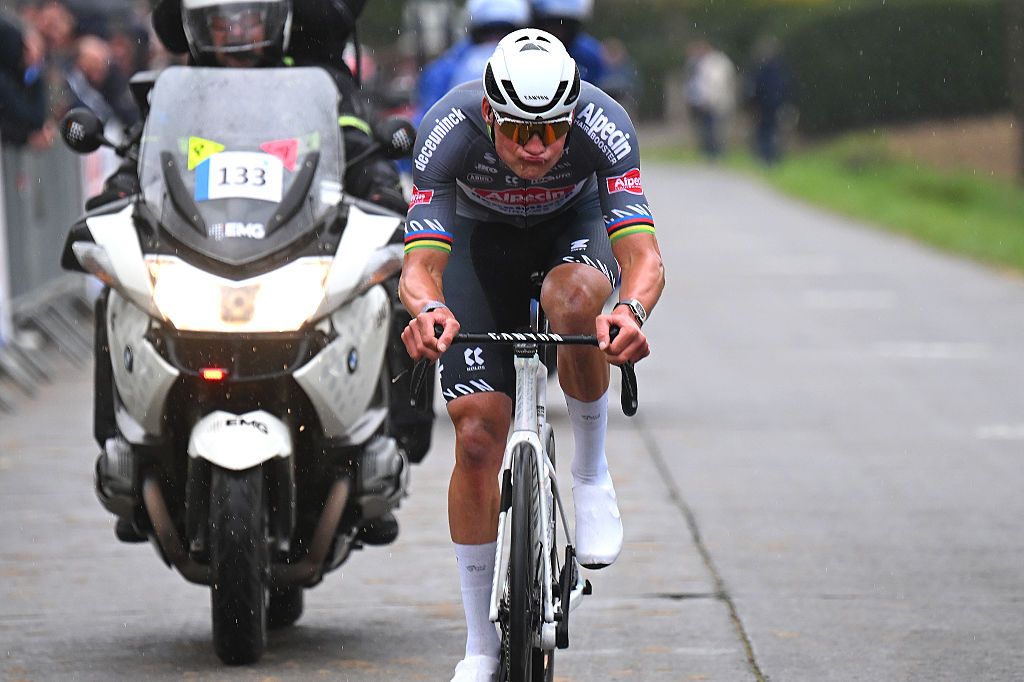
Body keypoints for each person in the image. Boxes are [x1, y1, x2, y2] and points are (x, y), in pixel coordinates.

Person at [87, 0, 424, 547]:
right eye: (222, 21)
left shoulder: (317, 84)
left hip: (293, 248)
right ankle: (123, 446)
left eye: (248, 18)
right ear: (197, 29)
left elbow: (356, 141)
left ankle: (388, 443)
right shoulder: (179, 90)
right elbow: (142, 157)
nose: (237, 34)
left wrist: (384, 188)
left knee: (387, 285)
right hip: (197, 251)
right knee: (116, 294)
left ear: (277, 21)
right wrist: (116, 194)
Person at [399, 29, 665, 682]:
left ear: (573, 116)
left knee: (572, 303)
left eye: (552, 131)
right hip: (476, 241)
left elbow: (643, 258)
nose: (537, 148)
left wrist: (629, 313)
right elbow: (421, 264)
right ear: (490, 113)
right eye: (519, 131)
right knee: (477, 436)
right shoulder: (449, 126)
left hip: (573, 232)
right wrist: (428, 310)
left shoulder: (605, 124)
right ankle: (479, 646)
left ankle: (592, 472)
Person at [414, 0, 529, 124]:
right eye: (487, 33)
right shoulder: (443, 71)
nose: (494, 41)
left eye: (505, 34)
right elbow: (425, 123)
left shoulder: (445, 67)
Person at [530, 0, 606, 85]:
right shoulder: (525, 51)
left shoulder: (589, 56)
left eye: (564, 25)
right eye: (550, 24)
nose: (557, 31)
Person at [684, 39, 736, 160]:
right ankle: (710, 152)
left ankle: (716, 152)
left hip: (715, 102)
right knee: (708, 128)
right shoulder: (702, 63)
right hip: (707, 102)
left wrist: (708, 98)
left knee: (717, 129)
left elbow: (716, 83)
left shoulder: (716, 63)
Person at [747, 35, 792, 165]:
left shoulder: (762, 68)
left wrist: (754, 101)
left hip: (766, 105)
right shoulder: (780, 67)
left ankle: (767, 156)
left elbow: (756, 87)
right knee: (773, 131)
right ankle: (771, 157)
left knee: (766, 131)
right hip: (775, 104)